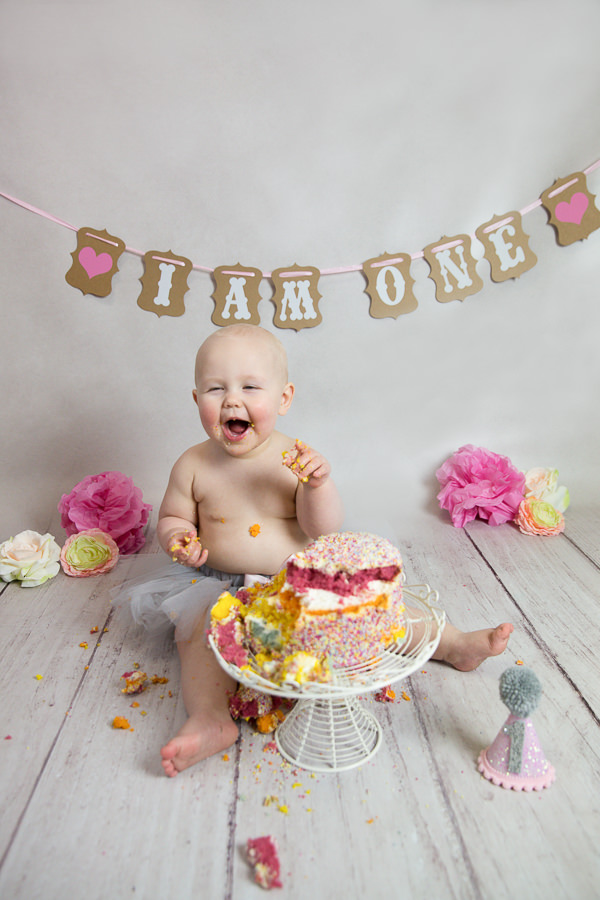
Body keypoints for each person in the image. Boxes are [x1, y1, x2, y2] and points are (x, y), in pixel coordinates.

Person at [140, 324, 512, 777]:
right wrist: (179, 538)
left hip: (299, 584)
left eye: (250, 387)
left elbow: (322, 528)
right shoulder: (192, 465)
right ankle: (210, 719)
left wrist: (317, 484)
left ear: (284, 398)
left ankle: (452, 643)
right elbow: (174, 517)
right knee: (198, 638)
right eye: (216, 389)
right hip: (219, 585)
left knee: (369, 613)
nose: (232, 400)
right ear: (196, 399)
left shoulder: (293, 458)